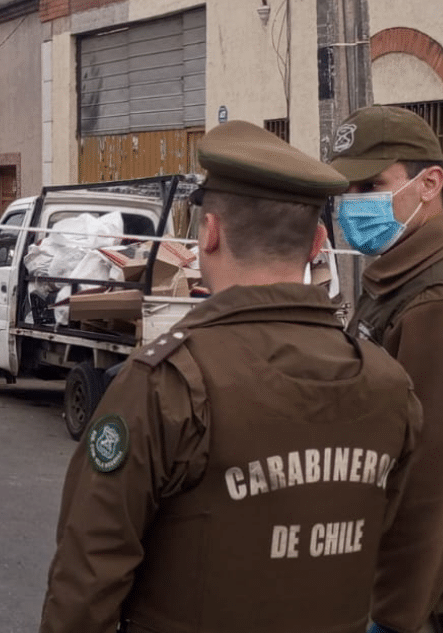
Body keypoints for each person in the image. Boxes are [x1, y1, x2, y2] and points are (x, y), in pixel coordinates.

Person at [38, 121, 423, 633]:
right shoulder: (390, 385)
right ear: (318, 243)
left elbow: (87, 581)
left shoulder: (166, 383)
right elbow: (392, 540)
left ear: (210, 232)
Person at [327, 105, 443, 633]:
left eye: (371, 184)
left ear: (429, 183)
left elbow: (426, 480)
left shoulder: (429, 300)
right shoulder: (397, 275)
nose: (352, 205)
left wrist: (395, 612)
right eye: (345, 190)